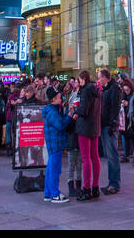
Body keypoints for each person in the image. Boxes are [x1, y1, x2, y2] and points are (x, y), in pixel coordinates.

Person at [72, 70, 101, 201]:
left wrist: (76, 110)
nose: (79, 82)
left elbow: (84, 110)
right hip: (95, 125)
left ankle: (87, 189)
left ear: (83, 79)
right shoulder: (97, 90)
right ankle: (95, 187)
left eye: (79, 80)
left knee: (85, 158)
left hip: (84, 127)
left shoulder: (85, 91)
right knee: (95, 157)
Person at [41, 85, 72, 203]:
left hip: (53, 143)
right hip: (55, 143)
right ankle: (54, 194)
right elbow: (60, 125)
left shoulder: (52, 110)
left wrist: (66, 113)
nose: (61, 99)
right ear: (53, 99)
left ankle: (48, 193)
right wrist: (69, 117)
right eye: (59, 98)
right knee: (54, 169)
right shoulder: (52, 111)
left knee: (50, 168)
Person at [98, 67, 122, 195]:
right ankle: (111, 182)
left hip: (109, 126)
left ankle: (114, 183)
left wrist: (112, 124)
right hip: (105, 124)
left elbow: (114, 108)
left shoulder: (114, 89)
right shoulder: (107, 89)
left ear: (105, 77)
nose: (99, 79)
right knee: (109, 155)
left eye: (100, 77)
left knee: (112, 155)